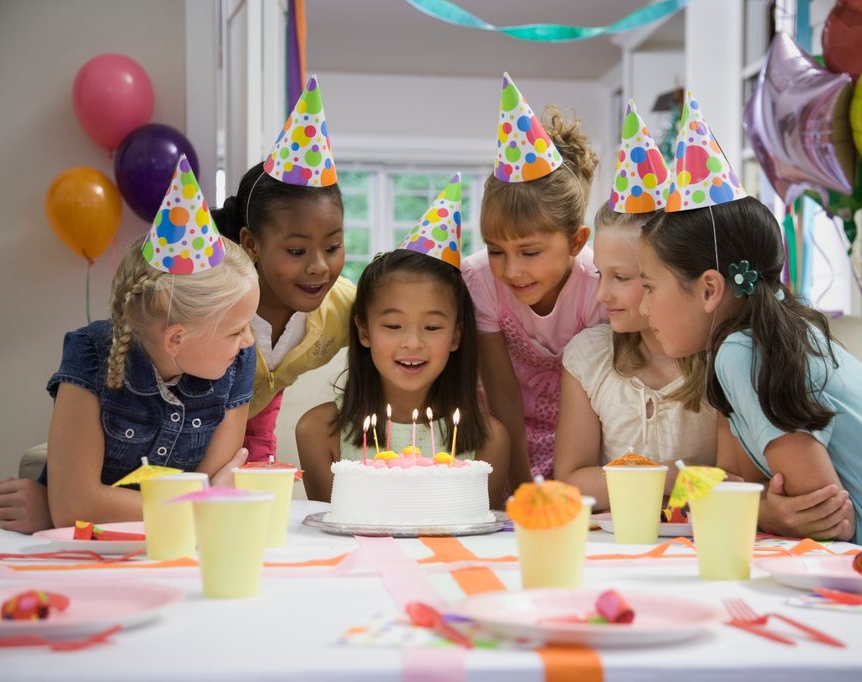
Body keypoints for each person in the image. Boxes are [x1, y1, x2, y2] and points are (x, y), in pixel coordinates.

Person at [636, 96, 862, 564]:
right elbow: (740, 485)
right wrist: (765, 508)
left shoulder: (743, 351)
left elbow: (824, 516)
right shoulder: (764, 337)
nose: (643, 307)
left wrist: (768, 511)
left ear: (710, 289)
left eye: (650, 287)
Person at [0, 156, 258, 532]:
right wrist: (197, 502)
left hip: (172, 546)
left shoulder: (238, 361)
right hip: (79, 549)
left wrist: (72, 507)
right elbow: (76, 506)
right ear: (176, 338)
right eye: (237, 330)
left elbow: (209, 499)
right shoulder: (91, 352)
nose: (248, 341)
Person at [297, 175, 510, 507]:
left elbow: (484, 533)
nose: (412, 343)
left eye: (432, 327)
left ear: (457, 335)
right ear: (364, 331)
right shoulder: (319, 432)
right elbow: (331, 532)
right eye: (394, 325)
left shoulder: (489, 440)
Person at [554, 102, 716, 510]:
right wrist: (673, 477)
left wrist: (627, 480)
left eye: (621, 278)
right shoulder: (590, 359)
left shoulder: (723, 362)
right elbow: (571, 483)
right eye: (600, 275)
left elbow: (739, 485)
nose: (601, 296)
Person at [463, 73, 605, 487]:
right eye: (495, 249)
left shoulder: (599, 288)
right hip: (501, 435)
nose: (510, 271)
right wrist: (521, 486)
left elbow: (604, 394)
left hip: (579, 436)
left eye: (530, 252)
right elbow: (501, 393)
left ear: (576, 241)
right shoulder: (480, 280)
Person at [213, 75, 355, 463]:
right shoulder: (208, 300)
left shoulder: (344, 307)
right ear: (251, 244)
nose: (320, 267)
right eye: (296, 250)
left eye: (333, 247)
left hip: (255, 419)